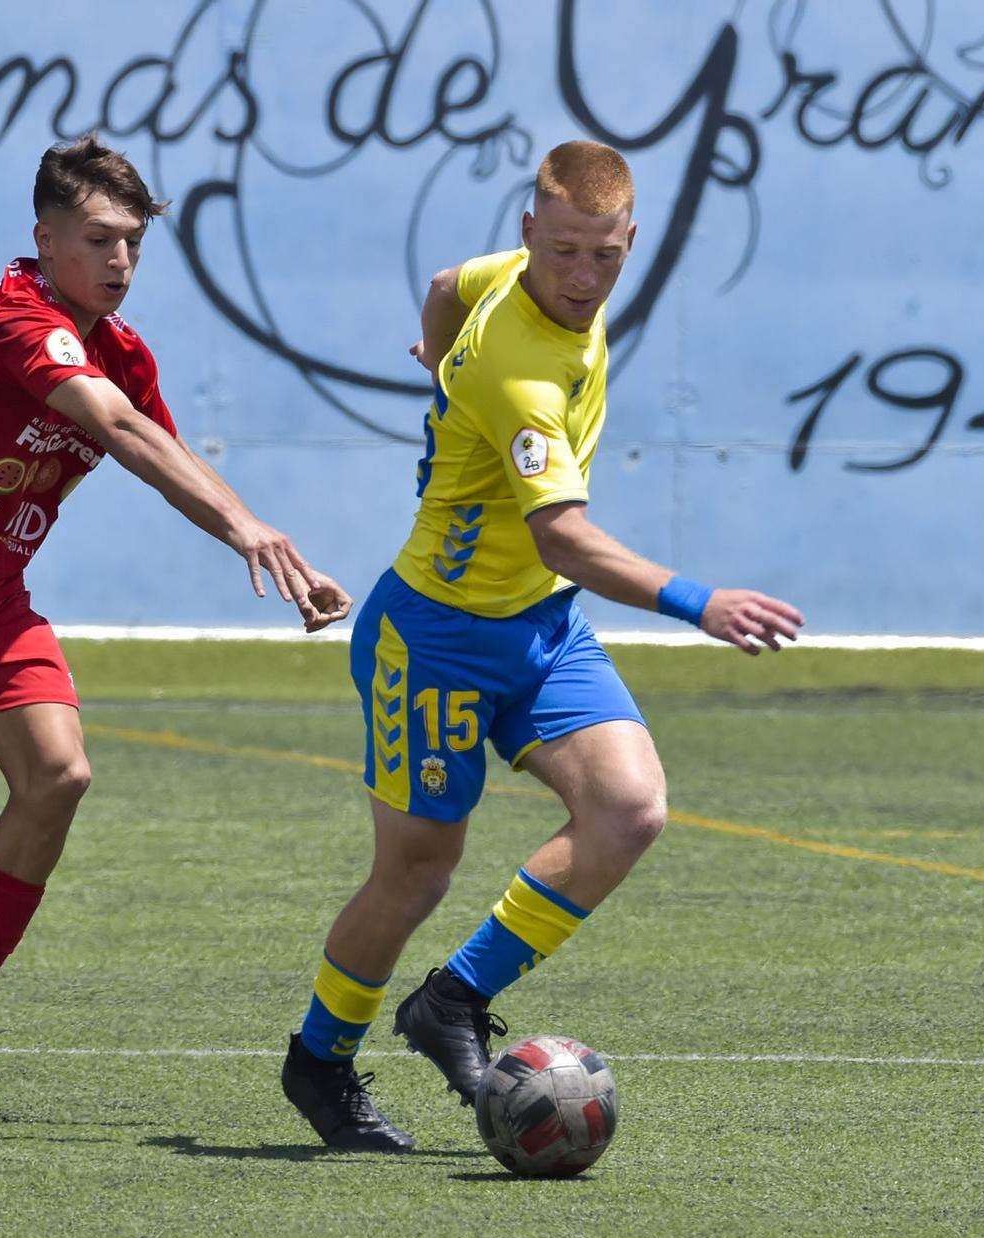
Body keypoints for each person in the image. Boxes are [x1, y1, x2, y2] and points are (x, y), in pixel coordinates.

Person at [280, 140, 804, 1150]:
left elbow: (440, 285)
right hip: (431, 636)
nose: (578, 277)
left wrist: (435, 366)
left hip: (541, 624)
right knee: (416, 873)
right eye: (560, 251)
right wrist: (698, 601)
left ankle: (452, 998)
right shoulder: (520, 374)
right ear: (528, 233)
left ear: (627, 242)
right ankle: (318, 1058)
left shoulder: (510, 277)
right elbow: (557, 530)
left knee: (628, 807)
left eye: (601, 256)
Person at [0, 133, 351, 1122]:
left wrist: (282, 552)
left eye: (134, 244)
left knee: (60, 771)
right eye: (99, 238)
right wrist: (250, 530)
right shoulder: (7, 321)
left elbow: (158, 445)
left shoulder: (119, 352)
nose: (119, 261)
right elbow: (115, 430)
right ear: (44, 238)